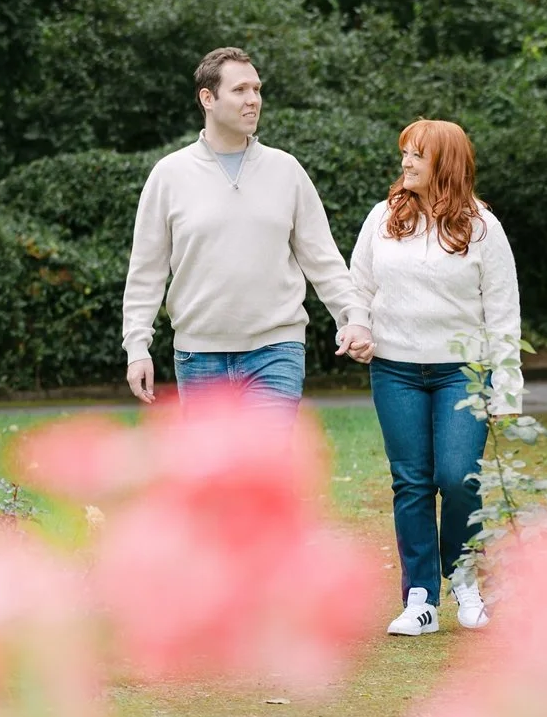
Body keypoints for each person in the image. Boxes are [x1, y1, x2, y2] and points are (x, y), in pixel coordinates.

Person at [122, 47, 373, 411]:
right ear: (207, 98)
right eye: (240, 90)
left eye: (256, 90)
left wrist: (354, 317)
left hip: (277, 350)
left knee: (266, 465)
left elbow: (323, 259)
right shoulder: (169, 175)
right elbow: (146, 271)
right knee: (212, 469)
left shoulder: (286, 170)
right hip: (199, 355)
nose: (253, 100)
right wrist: (136, 347)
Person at [347, 119, 522, 635]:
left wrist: (507, 387)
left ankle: (465, 580)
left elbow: (504, 313)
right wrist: (357, 326)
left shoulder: (484, 229)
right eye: (404, 153)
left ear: (445, 164)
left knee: (458, 477)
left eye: (416, 156)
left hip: (461, 374)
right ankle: (420, 598)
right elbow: (358, 288)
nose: (405, 163)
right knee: (412, 483)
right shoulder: (382, 218)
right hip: (395, 370)